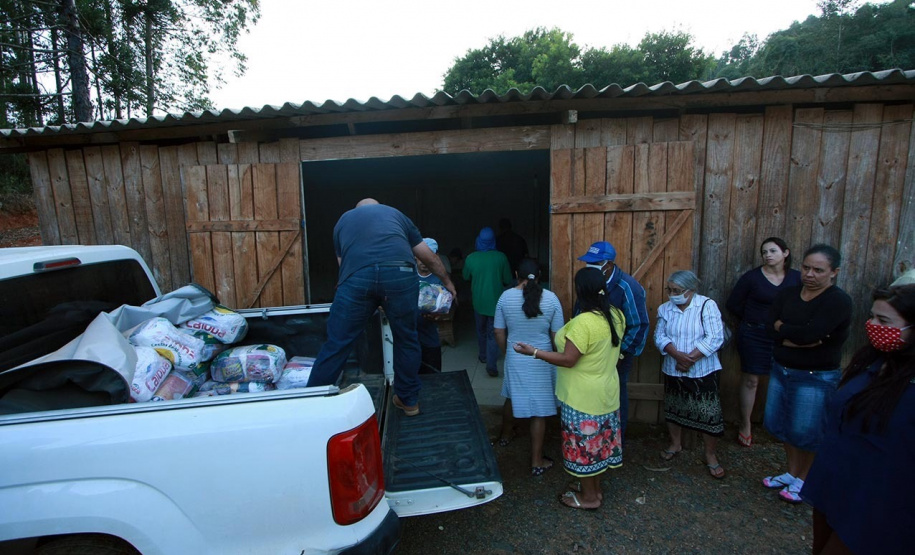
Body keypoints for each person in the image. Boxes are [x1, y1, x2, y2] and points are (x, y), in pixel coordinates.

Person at [306, 199, 456, 417]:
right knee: (406, 338)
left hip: (357, 277)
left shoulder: (343, 221)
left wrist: (362, 294)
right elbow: (428, 256)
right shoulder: (396, 214)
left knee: (338, 342)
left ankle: (312, 401)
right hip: (400, 275)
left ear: (357, 210)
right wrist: (448, 282)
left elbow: (343, 266)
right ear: (378, 207)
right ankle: (409, 401)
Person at [800, 284, 914, 555]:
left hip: (879, 499)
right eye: (872, 317)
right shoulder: (874, 361)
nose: (873, 325)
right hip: (836, 482)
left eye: (884, 321)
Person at [513, 267, 625, 510]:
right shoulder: (615, 314)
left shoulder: (584, 323)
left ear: (580, 291)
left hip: (582, 397)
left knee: (584, 449)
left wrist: (533, 352)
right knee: (596, 447)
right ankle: (593, 490)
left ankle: (589, 499)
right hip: (606, 392)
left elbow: (568, 359)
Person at [762, 244, 852, 503]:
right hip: (782, 369)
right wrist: (796, 335)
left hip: (815, 376)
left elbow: (812, 334)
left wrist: (786, 331)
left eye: (818, 270)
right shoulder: (788, 294)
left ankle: (805, 479)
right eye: (806, 268)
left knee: (807, 430)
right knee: (781, 425)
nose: (810, 274)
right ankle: (791, 472)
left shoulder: (838, 301)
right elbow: (770, 328)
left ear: (834, 272)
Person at [726, 237, 801, 447]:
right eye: (764, 252)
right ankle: (745, 424)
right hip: (754, 334)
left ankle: (782, 425)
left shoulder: (797, 278)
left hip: (785, 337)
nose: (767, 255)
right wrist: (755, 319)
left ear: (785, 253)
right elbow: (733, 304)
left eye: (773, 251)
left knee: (785, 378)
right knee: (751, 380)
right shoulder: (752, 278)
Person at [493, 258, 565, 476]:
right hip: (542, 357)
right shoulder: (551, 299)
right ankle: (536, 461)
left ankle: (505, 435)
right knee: (539, 411)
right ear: (540, 275)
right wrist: (555, 357)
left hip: (516, 355)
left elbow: (498, 331)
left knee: (510, 395)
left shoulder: (505, 297)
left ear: (517, 274)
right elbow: (558, 335)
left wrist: (508, 353)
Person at [655, 270, 727, 479]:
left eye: (676, 290)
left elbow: (715, 337)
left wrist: (690, 359)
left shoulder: (706, 305)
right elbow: (659, 336)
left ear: (691, 290)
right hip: (673, 368)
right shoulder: (665, 309)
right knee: (674, 407)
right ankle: (675, 444)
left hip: (702, 370)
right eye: (669, 290)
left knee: (708, 414)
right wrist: (678, 356)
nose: (671, 294)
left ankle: (710, 454)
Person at [578, 241, 649, 442]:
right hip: (591, 355)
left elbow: (639, 325)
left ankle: (615, 442)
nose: (589, 266)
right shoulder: (591, 282)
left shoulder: (628, 287)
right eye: (588, 262)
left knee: (615, 397)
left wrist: (621, 354)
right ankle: (591, 440)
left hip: (617, 357)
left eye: (594, 262)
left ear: (608, 265)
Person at [463, 227, 512, 377]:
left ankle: (483, 356)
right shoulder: (501, 257)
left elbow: (465, 277)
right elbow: (507, 280)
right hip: (496, 303)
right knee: (494, 332)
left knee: (481, 330)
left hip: (478, 302)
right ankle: (491, 364)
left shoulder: (471, 258)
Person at [416, 237, 446, 374]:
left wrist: (437, 316)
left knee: (433, 377)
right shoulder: (407, 276)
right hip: (409, 339)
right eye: (420, 257)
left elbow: (443, 309)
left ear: (436, 257)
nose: (423, 262)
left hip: (429, 338)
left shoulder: (439, 279)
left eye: (428, 257)